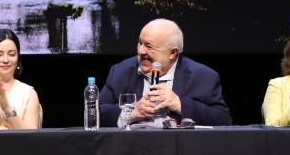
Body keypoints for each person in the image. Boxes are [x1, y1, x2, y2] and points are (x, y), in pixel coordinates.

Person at [98, 18, 231, 127]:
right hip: (133, 150)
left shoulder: (203, 77)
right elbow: (96, 113)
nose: (141, 51)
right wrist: (131, 113)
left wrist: (179, 104)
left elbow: (223, 120)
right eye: (140, 43)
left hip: (180, 151)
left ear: (172, 53)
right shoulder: (121, 72)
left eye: (149, 46)